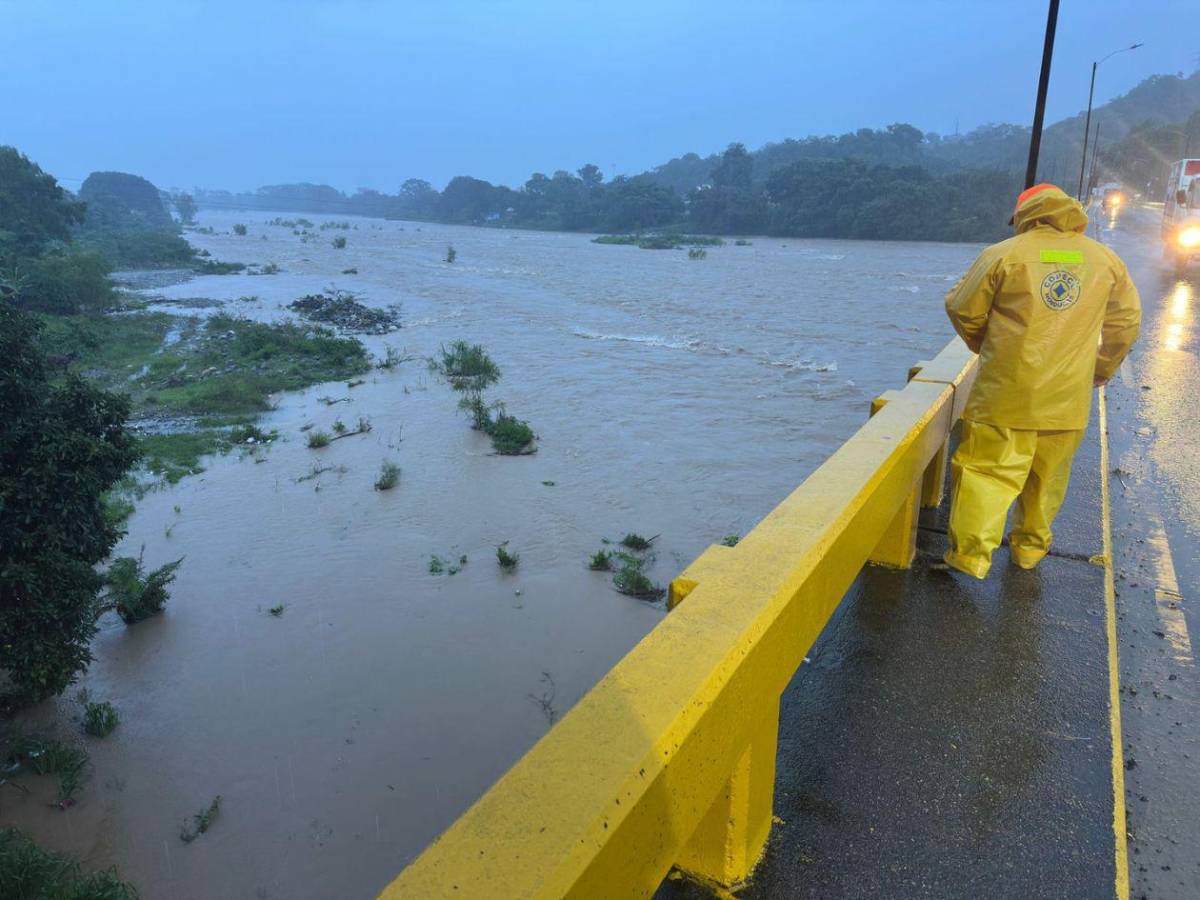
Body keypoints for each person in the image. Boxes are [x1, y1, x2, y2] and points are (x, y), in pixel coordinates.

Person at [940, 183, 1141, 579]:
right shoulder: (1106, 260)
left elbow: (961, 307)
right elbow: (1126, 324)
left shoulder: (1003, 255)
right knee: (1047, 480)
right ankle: (1029, 551)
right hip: (1067, 399)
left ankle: (970, 557)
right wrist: (1100, 369)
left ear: (1024, 217)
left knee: (986, 474)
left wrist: (986, 344)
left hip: (1004, 393)